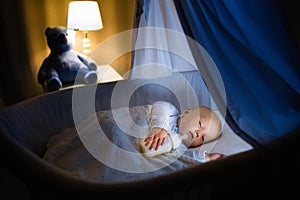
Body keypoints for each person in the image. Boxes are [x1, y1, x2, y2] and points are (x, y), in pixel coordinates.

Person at [143, 101, 225, 162]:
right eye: (200, 124)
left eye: (203, 138)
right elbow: (159, 106)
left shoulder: (181, 147)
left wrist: (207, 158)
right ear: (186, 113)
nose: (198, 133)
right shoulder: (171, 113)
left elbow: (188, 158)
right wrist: (160, 127)